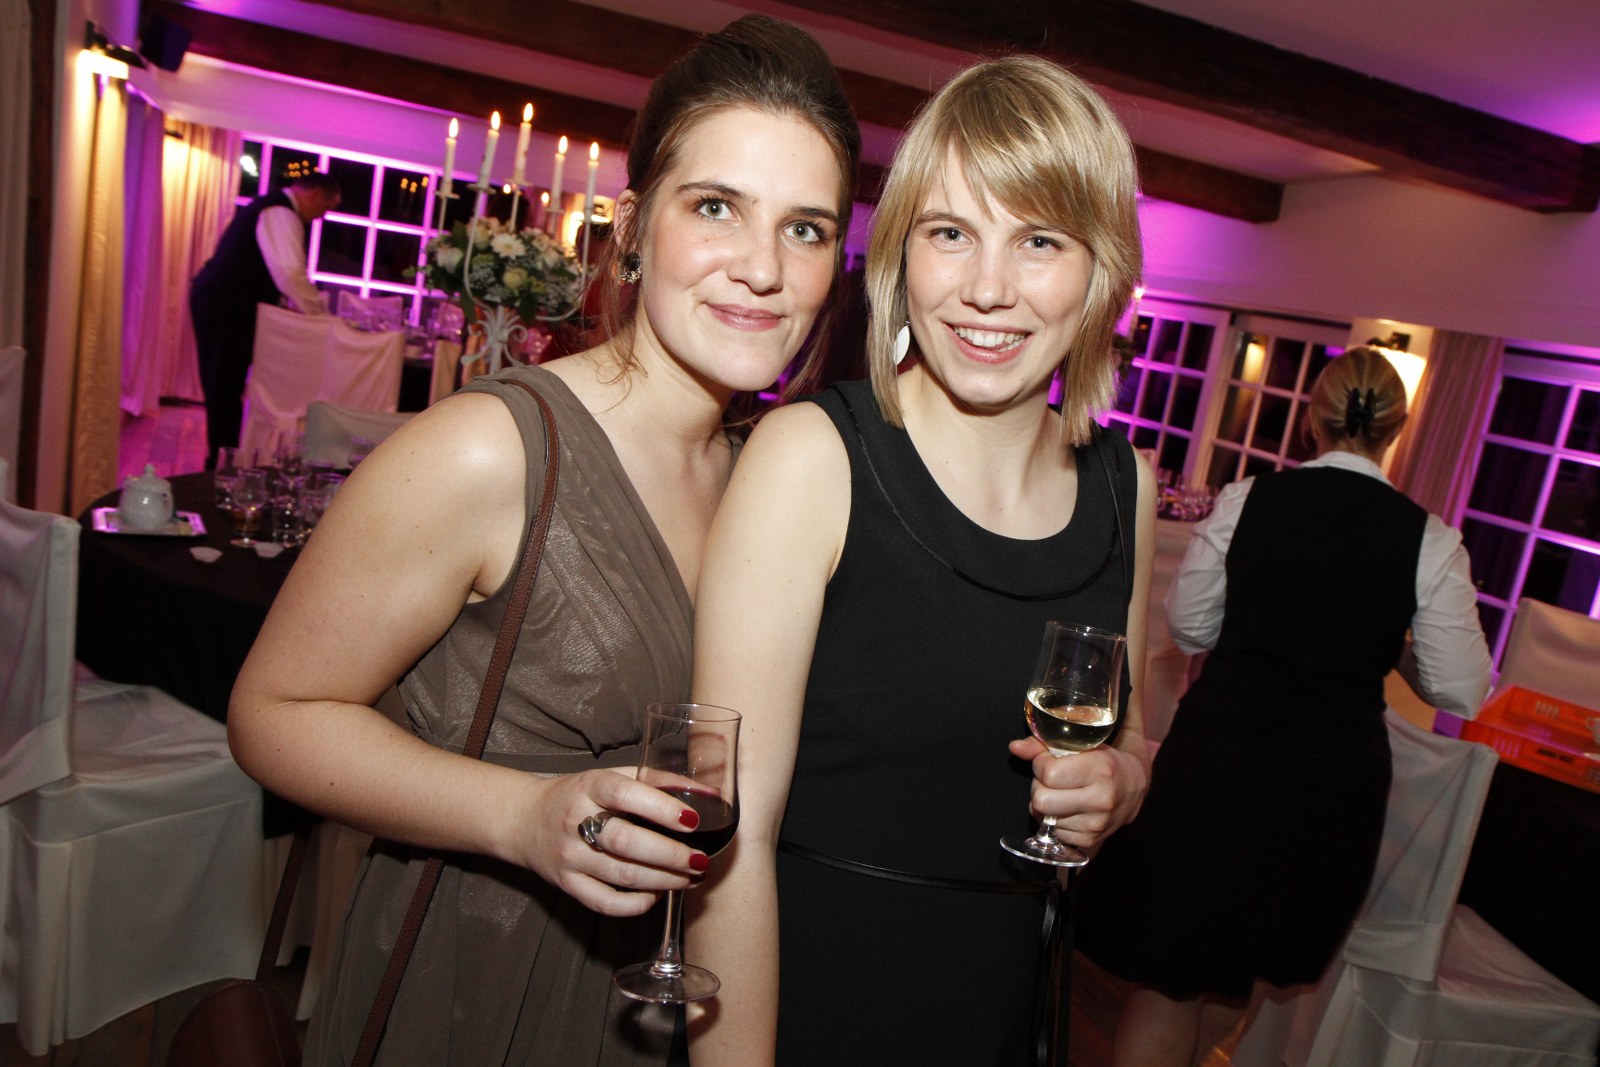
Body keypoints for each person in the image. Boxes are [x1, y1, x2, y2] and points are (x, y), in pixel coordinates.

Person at [226, 15, 859, 1066]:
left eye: (806, 229)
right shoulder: (491, 449)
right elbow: (273, 714)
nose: (763, 268)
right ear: (633, 227)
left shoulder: (770, 474)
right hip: (478, 988)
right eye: (715, 207)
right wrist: (522, 815)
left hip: (671, 998)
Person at [687, 56, 1155, 1066]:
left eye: (1040, 241)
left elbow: (1132, 737)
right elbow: (731, 835)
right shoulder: (813, 456)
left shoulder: (1127, 485)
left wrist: (1119, 783)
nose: (987, 288)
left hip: (1008, 1007)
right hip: (811, 1005)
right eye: (950, 233)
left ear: (1102, 272)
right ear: (901, 254)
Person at [1074, 346, 1494, 1067]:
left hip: (1220, 767)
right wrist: (1384, 640)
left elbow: (1190, 626)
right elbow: (1461, 688)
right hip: (1325, 791)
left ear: (1311, 419)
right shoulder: (1430, 539)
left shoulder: (1249, 500)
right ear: (1396, 430)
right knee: (1235, 976)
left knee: (1172, 978)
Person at [190, 171, 341, 467]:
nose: (322, 216)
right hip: (224, 304)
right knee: (223, 387)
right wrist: (320, 315)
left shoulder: (274, 208)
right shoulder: (280, 213)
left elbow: (271, 273)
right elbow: (289, 273)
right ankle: (221, 464)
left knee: (225, 386)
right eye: (325, 208)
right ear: (313, 194)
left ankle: (223, 460)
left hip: (224, 302)